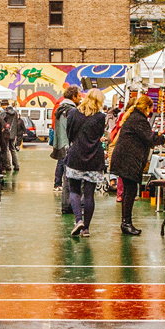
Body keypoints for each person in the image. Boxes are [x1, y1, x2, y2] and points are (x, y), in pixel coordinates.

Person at [108, 91, 158, 236]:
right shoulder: (139, 120)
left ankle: (126, 222)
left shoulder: (134, 117)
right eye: (151, 108)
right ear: (147, 107)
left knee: (128, 192)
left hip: (125, 159)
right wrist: (162, 137)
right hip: (128, 160)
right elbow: (149, 139)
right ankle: (126, 223)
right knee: (130, 192)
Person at [63, 91, 109, 237]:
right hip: (94, 158)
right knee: (89, 194)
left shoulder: (73, 113)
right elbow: (100, 135)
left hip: (76, 156)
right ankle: (86, 229)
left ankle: (78, 220)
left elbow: (69, 133)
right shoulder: (101, 117)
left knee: (74, 191)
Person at [50, 84, 82, 213]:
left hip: (62, 145)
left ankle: (66, 204)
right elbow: (69, 130)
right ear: (73, 96)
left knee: (66, 176)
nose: (80, 98)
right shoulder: (70, 110)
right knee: (69, 178)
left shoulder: (61, 108)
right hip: (68, 146)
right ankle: (68, 205)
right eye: (79, 96)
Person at [0, 102, 25, 173]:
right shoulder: (15, 113)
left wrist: (5, 125)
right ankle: (16, 165)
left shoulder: (5, 112)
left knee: (6, 149)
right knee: (13, 149)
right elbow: (16, 123)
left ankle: (8, 165)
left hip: (6, 133)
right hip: (13, 134)